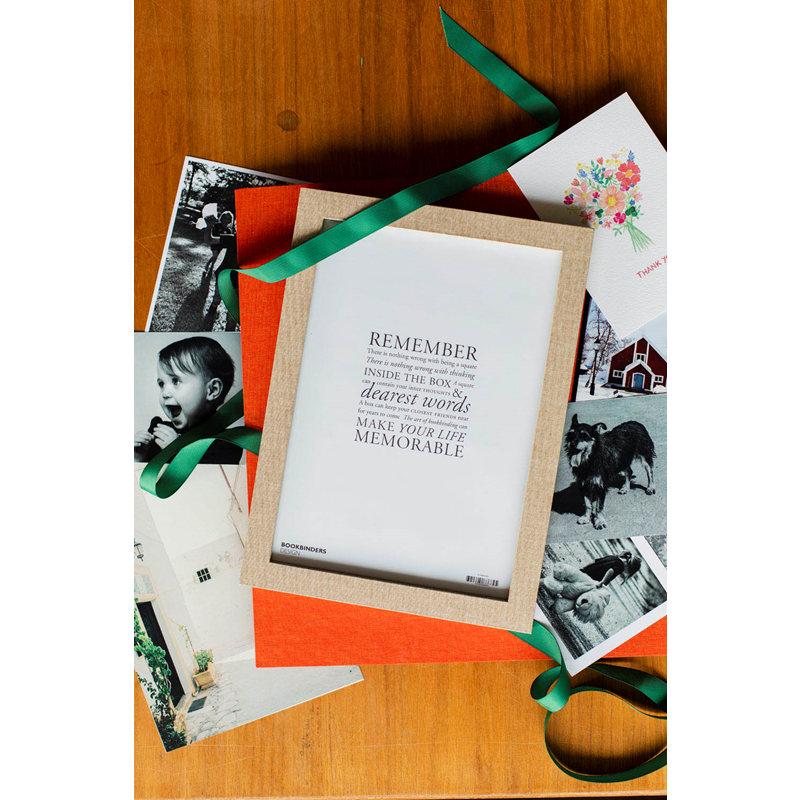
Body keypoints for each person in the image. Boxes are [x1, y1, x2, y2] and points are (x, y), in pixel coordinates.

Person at [134, 337, 242, 464]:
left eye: (175, 381)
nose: (164, 393)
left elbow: (212, 475)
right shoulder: (160, 431)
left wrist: (177, 452)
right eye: (162, 384)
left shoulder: (227, 443)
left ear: (212, 390)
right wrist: (140, 458)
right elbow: (147, 474)